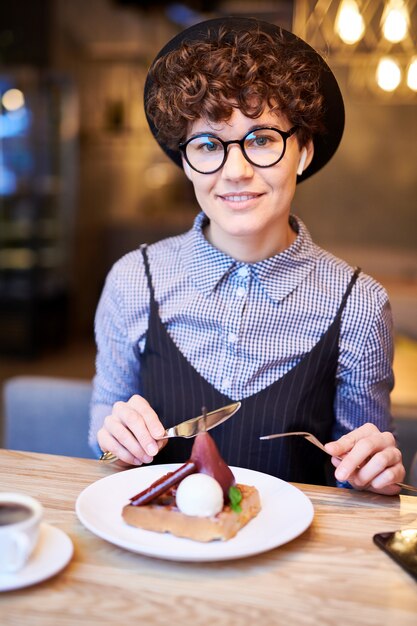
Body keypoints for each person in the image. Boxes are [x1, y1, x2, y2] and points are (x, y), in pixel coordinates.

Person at [89, 16, 405, 495]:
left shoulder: (359, 304)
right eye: (209, 144)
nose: (234, 171)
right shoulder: (134, 279)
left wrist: (373, 472)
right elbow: (99, 449)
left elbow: (358, 491)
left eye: (261, 139)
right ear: (187, 162)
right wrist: (113, 439)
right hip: (158, 552)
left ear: (302, 153)